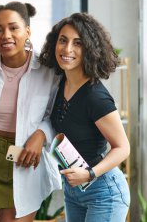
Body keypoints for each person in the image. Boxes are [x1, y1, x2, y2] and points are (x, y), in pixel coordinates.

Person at [0, 2, 62, 222]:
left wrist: (41, 134)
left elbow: (59, 113)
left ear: (27, 31)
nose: (5, 35)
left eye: (13, 28)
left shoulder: (50, 71)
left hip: (25, 155)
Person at [39, 12, 130, 222]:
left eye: (77, 43)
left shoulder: (95, 96)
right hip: (74, 191)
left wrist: (89, 173)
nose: (67, 49)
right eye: (63, 40)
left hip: (103, 191)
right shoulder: (60, 83)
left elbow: (123, 147)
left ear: (89, 49)